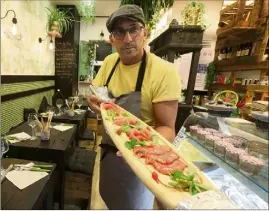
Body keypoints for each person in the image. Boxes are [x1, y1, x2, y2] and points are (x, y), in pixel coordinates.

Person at [88, 4, 181, 210]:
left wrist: (140, 150)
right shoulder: (109, 63)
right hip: (109, 156)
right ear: (112, 39)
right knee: (109, 198)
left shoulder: (164, 72)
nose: (127, 38)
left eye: (133, 29)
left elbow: (167, 127)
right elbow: (97, 94)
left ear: (144, 33)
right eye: (119, 32)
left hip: (140, 162)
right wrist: (94, 102)